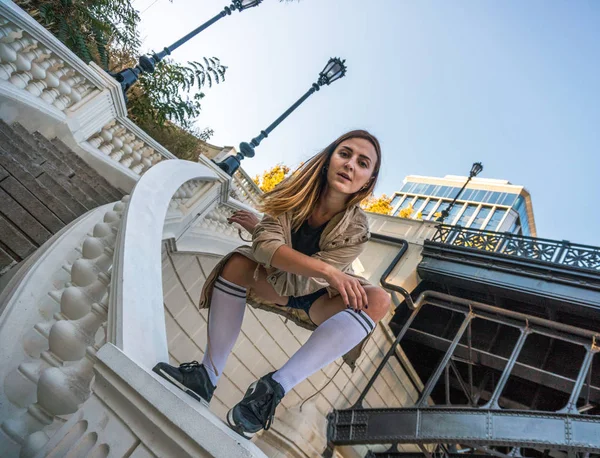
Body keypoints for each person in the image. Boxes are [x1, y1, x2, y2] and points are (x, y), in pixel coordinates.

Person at [153, 130, 391, 439]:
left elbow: (297, 271)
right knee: (238, 263)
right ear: (329, 158)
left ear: (368, 181)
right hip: (277, 285)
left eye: (362, 163)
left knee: (379, 300)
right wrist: (272, 242)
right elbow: (266, 248)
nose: (350, 165)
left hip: (318, 301)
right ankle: (206, 376)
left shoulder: (358, 229)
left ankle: (272, 389)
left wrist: (281, 250)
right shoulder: (292, 192)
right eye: (344, 154)